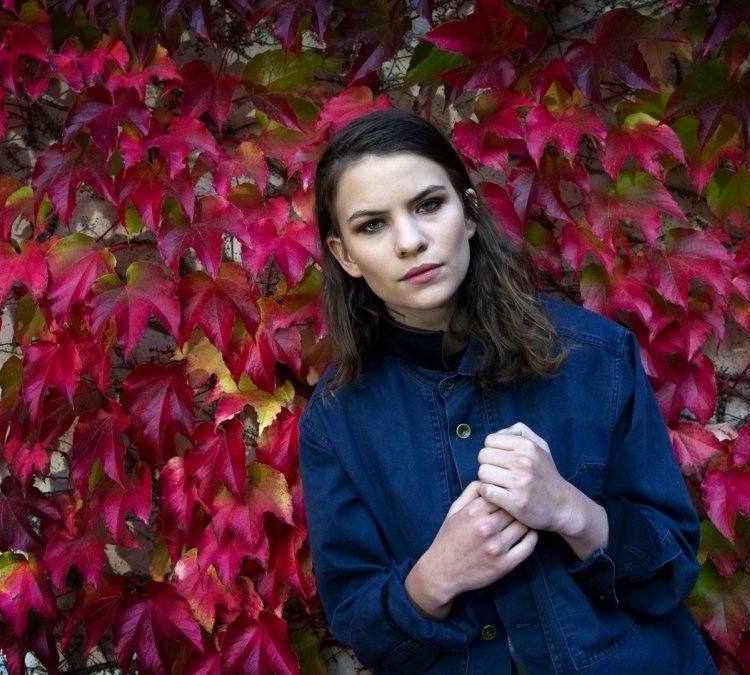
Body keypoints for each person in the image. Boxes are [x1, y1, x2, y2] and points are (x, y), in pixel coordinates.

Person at [298, 109, 716, 674]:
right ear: (345, 254)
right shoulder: (336, 420)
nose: (410, 241)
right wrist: (433, 578)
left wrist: (573, 512)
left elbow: (673, 570)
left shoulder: (594, 357)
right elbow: (360, 625)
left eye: (428, 205)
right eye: (372, 225)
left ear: (468, 213)